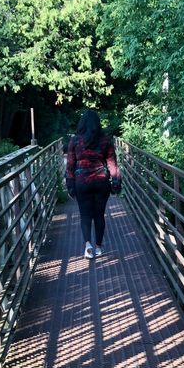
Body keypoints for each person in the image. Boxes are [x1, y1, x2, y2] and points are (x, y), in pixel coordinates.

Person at [66, 109, 121, 258]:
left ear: (82, 123)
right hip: (101, 182)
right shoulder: (105, 140)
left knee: (85, 216)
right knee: (99, 215)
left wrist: (70, 185)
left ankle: (88, 246)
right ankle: (98, 247)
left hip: (82, 182)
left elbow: (70, 166)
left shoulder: (75, 141)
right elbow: (112, 164)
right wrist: (116, 183)